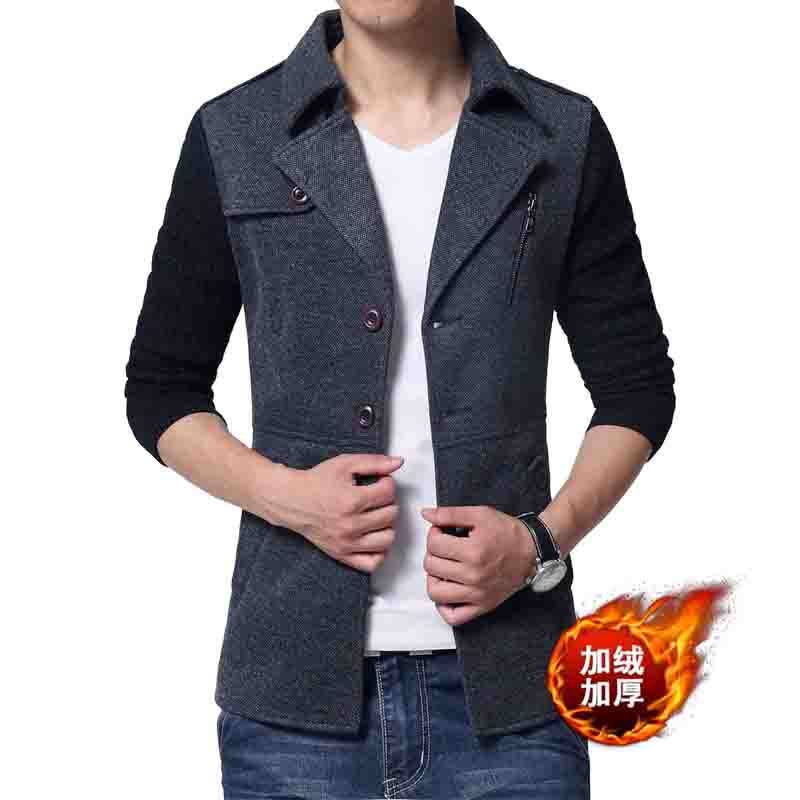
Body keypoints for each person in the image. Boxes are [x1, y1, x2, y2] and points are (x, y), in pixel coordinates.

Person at [125, 3, 675, 797]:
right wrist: (287, 497)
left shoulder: (560, 135)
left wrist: (538, 543)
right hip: (293, 701)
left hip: (513, 700)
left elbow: (635, 388)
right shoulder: (237, 132)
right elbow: (161, 389)